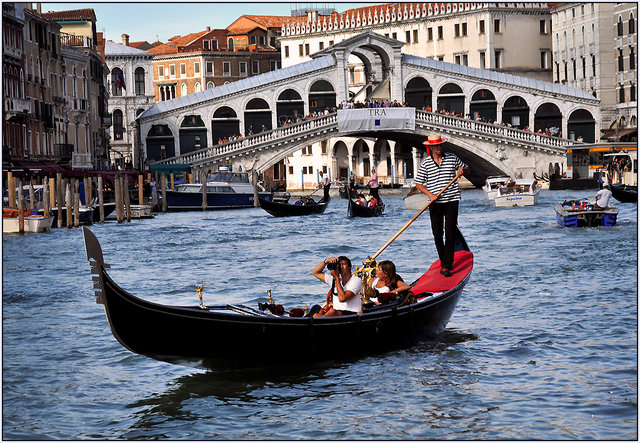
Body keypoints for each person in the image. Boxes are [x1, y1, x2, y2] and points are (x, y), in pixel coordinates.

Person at [414, 134, 470, 277]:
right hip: (435, 201)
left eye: (440, 145)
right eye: (436, 146)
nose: (439, 148)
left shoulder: (452, 158)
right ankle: (443, 259)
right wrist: (430, 195)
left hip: (452, 199)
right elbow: (418, 184)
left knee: (450, 230)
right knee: (437, 233)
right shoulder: (426, 163)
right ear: (431, 147)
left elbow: (467, 168)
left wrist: (462, 171)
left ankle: (447, 265)